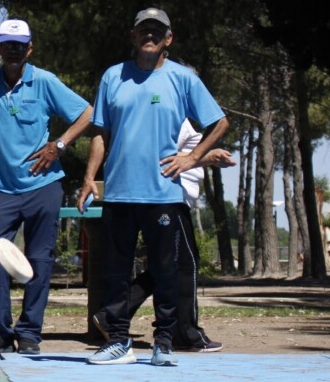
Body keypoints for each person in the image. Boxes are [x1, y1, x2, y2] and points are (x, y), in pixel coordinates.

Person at [78, 7, 229, 366]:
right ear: (133, 36)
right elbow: (101, 131)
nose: (150, 36)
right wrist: (88, 177)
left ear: (168, 39)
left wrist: (191, 159)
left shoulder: (183, 79)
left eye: (157, 31)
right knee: (115, 272)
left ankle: (163, 342)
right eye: (144, 30)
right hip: (118, 192)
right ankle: (118, 342)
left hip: (163, 193)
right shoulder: (113, 77)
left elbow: (219, 123)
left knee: (165, 271)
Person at [0, 19, 92, 355]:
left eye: (19, 44)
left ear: (30, 49)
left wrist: (60, 145)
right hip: (4, 192)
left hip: (44, 187)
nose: (13, 49)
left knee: (40, 259)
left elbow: (87, 113)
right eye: (7, 43)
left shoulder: (45, 82)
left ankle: (29, 334)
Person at [91, 118, 235, 352]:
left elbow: (176, 154)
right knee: (184, 266)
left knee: (167, 265)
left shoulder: (182, 118)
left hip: (175, 197)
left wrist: (206, 157)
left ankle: (115, 315)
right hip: (170, 197)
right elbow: (157, 153)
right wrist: (203, 157)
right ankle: (184, 332)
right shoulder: (170, 113)